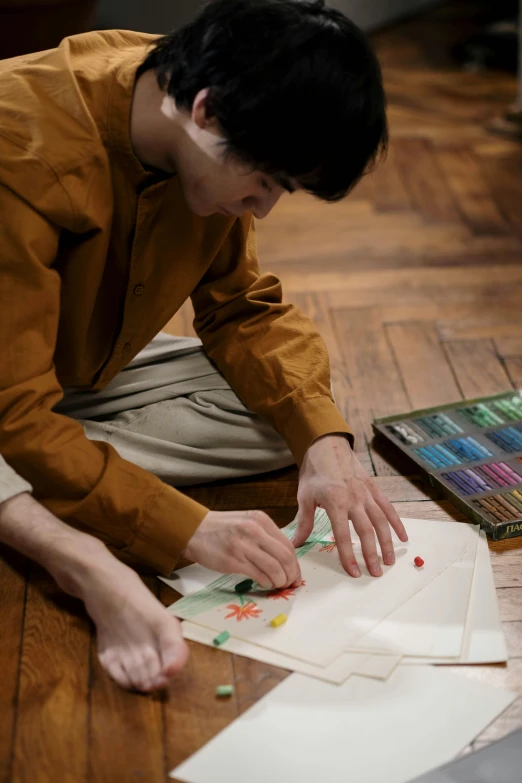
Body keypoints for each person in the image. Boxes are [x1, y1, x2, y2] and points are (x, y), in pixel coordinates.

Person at [0, 0, 408, 692]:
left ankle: (40, 478)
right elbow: (13, 406)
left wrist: (325, 447)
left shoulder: (201, 94)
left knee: (283, 422)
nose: (263, 210)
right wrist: (183, 528)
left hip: (59, 371)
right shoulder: (22, 147)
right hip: (14, 391)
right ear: (207, 113)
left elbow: (242, 310)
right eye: (267, 183)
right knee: (27, 431)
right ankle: (59, 520)